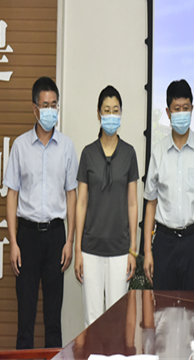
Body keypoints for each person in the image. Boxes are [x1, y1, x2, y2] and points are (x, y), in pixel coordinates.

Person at [5, 77, 78, 349]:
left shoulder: (67, 147)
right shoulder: (20, 146)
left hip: (56, 236)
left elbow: (72, 195)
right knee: (25, 319)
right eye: (45, 105)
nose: (50, 110)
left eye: (54, 105)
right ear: (35, 108)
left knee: (53, 320)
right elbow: (12, 195)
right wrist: (13, 243)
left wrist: (69, 241)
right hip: (27, 236)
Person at [74, 85, 139, 327]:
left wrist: (133, 250)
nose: (111, 115)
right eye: (107, 110)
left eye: (115, 110)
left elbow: (132, 203)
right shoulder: (88, 153)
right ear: (98, 114)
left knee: (117, 321)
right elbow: (81, 203)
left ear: (121, 113)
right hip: (90, 249)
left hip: (120, 249)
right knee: (92, 321)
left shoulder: (129, 153)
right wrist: (78, 249)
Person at [143, 79, 194, 290]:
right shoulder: (158, 151)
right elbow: (150, 204)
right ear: (168, 112)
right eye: (177, 109)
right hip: (164, 242)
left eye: (186, 108)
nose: (181, 113)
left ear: (192, 109)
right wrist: (147, 251)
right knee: (162, 307)